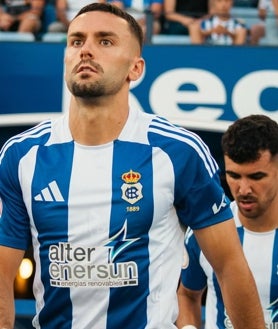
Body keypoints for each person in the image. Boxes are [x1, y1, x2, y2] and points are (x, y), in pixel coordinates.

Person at [0, 3, 265, 328]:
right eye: (76, 41)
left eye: (105, 41)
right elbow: (1, 273)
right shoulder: (21, 155)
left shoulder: (178, 152)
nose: (86, 51)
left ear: (135, 69)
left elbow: (229, 266)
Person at [177, 114, 278, 329]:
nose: (243, 190)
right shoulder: (205, 231)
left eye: (256, 177)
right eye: (233, 175)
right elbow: (187, 295)